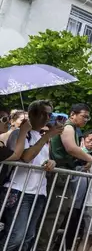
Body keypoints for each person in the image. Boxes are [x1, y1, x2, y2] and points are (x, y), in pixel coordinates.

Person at [0, 100, 63, 251]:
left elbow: (41, 159)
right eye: (44, 114)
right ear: (34, 114)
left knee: (28, 237)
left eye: (50, 114)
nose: (48, 118)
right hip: (18, 190)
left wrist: (51, 162)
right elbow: (26, 157)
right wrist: (47, 136)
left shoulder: (43, 138)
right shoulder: (20, 134)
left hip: (38, 192)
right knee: (16, 237)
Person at [38, 103, 92, 251]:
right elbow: (70, 148)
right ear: (72, 114)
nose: (86, 120)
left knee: (57, 215)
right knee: (53, 215)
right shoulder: (68, 127)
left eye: (88, 117)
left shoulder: (73, 128)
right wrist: (89, 158)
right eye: (84, 116)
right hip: (59, 173)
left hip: (63, 174)